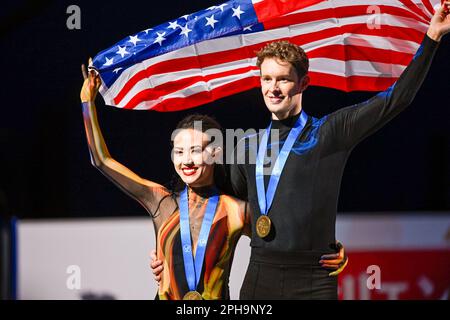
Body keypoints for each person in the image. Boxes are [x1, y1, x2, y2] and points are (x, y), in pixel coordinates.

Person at [152, 3, 450, 299]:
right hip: (259, 279)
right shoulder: (246, 146)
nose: (273, 88)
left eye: (283, 79)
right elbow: (212, 207)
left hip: (314, 279)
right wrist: (168, 253)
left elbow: (395, 100)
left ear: (303, 83)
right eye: (266, 79)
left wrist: (433, 37)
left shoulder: (329, 133)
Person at [79, 65, 347, 300]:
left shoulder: (236, 210)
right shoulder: (161, 202)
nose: (187, 160)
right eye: (180, 151)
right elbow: (101, 161)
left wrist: (331, 250)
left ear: (216, 152)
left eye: (196, 150)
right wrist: (87, 103)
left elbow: (286, 246)